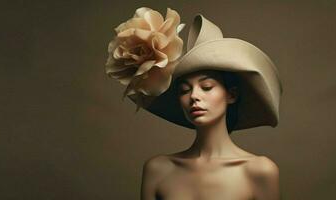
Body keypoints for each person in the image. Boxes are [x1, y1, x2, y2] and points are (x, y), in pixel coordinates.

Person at [105, 8, 283, 200]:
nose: (194, 96)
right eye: (184, 90)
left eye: (206, 86)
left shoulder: (259, 171)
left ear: (231, 95)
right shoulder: (158, 169)